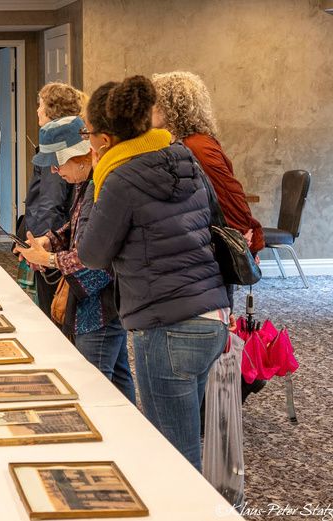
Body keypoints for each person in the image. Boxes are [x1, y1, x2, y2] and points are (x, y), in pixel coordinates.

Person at [76, 76, 231, 471]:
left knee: (174, 455)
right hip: (212, 314)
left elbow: (92, 253)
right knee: (189, 437)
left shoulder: (119, 178)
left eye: (88, 133)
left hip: (165, 324)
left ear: (105, 140)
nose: (87, 140)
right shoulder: (184, 158)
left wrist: (97, 182)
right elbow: (215, 221)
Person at [151, 70, 267, 401]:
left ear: (172, 109)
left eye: (156, 105)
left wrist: (248, 235)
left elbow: (234, 204)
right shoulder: (184, 145)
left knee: (209, 340)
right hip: (197, 261)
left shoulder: (197, 147)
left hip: (209, 262)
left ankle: (213, 407)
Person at [15, 116, 136, 404]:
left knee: (93, 388)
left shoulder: (103, 185)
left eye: (59, 164)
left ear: (82, 157)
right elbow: (75, 226)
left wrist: (49, 258)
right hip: (102, 302)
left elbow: (92, 255)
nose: (55, 172)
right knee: (118, 378)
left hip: (99, 306)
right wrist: (49, 241)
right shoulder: (88, 181)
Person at [25, 82, 81, 317]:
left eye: (40, 105)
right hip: (58, 243)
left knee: (54, 314)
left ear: (51, 109)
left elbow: (51, 202)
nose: (37, 110)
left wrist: (40, 244)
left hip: (56, 248)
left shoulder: (60, 151)